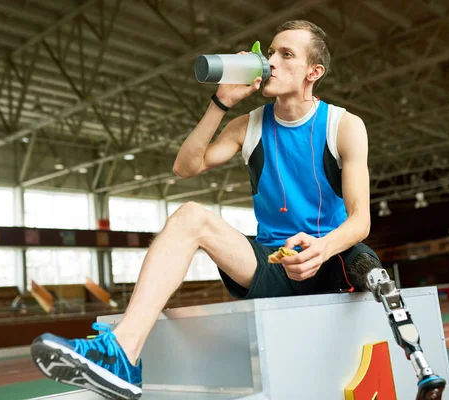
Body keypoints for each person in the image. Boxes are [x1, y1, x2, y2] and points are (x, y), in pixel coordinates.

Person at [30, 19, 382, 400]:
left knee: (359, 259)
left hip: (326, 259)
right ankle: (123, 354)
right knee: (189, 216)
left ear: (314, 72)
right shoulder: (248, 125)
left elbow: (360, 219)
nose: (271, 62)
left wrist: (323, 248)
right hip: (272, 262)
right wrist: (221, 103)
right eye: (270, 53)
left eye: (286, 54)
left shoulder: (343, 125)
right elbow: (186, 167)